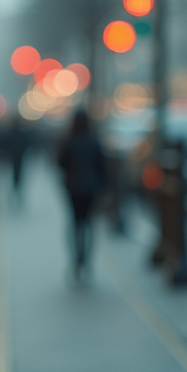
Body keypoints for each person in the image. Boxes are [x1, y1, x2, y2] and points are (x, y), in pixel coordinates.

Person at [57, 109, 107, 282]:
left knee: (75, 222)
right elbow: (102, 166)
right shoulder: (94, 141)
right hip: (91, 189)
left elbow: (61, 163)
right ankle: (87, 257)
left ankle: (76, 256)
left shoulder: (69, 141)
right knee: (89, 223)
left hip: (73, 188)